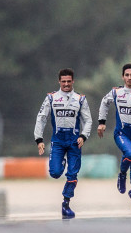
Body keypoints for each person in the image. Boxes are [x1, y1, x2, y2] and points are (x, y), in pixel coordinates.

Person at [34, 68, 92, 219]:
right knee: (54, 173)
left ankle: (66, 203)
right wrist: (39, 139)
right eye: (63, 81)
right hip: (58, 141)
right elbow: (41, 118)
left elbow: (88, 120)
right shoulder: (51, 98)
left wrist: (83, 136)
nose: (66, 84)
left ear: (73, 81)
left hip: (74, 141)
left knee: (72, 174)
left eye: (69, 81)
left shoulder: (80, 99)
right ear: (59, 81)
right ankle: (62, 161)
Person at [97, 64, 131, 216]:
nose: (129, 78)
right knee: (130, 154)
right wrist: (102, 122)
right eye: (126, 75)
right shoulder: (116, 92)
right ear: (123, 77)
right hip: (122, 132)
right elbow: (104, 102)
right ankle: (121, 174)